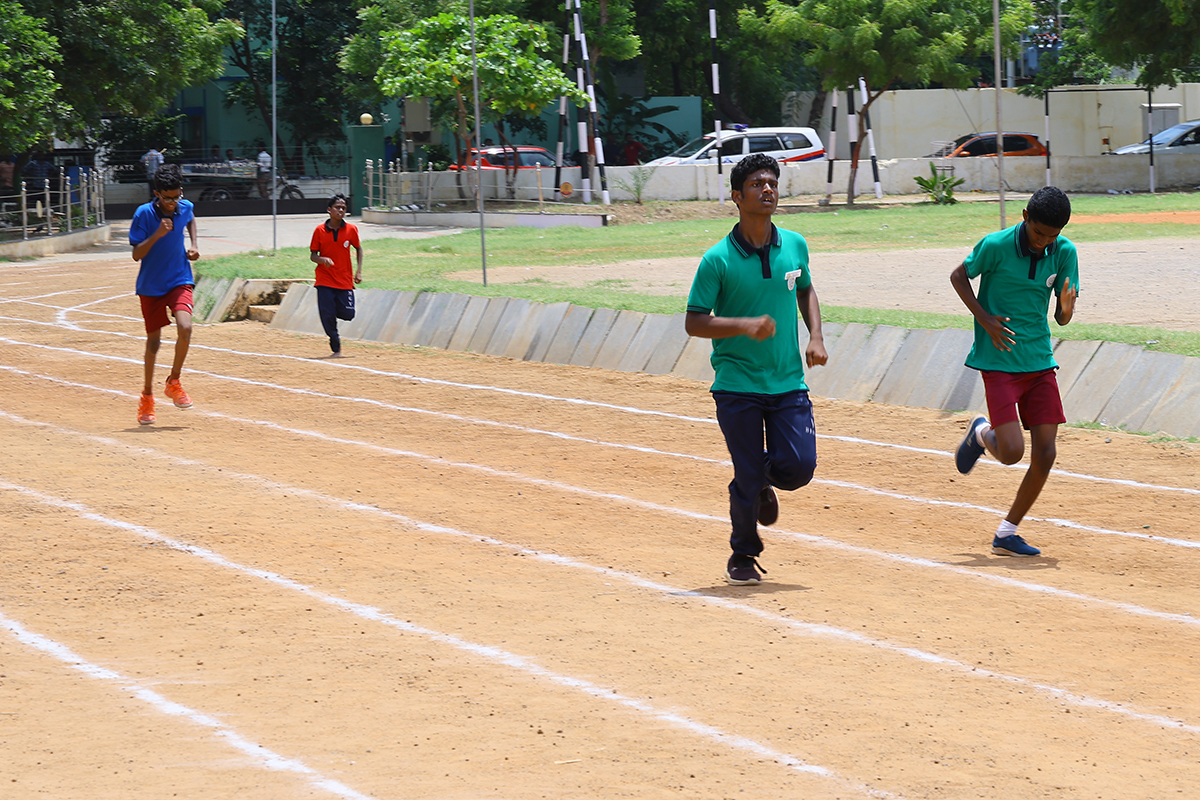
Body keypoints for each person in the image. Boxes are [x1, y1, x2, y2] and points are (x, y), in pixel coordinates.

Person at [684, 153, 828, 585]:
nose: (767, 189)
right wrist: (743, 325)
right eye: (756, 184)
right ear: (736, 196)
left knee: (799, 467)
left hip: (787, 382)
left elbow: (806, 290)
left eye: (772, 183)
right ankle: (743, 554)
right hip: (736, 384)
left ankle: (760, 477)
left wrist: (816, 336)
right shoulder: (717, 259)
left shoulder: (795, 244)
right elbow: (694, 322)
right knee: (746, 476)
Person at [951, 185, 1079, 557]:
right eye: (1038, 233)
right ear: (1025, 217)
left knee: (1046, 453)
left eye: (1052, 236)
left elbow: (1062, 318)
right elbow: (959, 276)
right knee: (1010, 453)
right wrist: (984, 318)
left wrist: (1067, 308)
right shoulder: (995, 245)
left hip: (1039, 360)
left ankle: (1007, 533)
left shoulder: (1065, 252)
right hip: (999, 361)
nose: (1043, 242)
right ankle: (981, 432)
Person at [128, 163, 200, 425]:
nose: (172, 203)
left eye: (176, 196)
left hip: (179, 278)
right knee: (154, 343)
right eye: (167, 198)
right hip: (151, 286)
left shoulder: (184, 206)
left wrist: (194, 244)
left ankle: (174, 381)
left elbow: (190, 217)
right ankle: (147, 396)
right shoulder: (144, 214)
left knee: (186, 327)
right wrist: (158, 234)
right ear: (157, 193)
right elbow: (136, 254)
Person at [310, 193, 363, 358]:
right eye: (337, 207)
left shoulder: (351, 229)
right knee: (327, 315)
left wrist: (358, 271)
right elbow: (313, 255)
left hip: (344, 279)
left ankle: (331, 311)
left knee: (348, 314)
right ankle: (335, 345)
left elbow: (358, 248)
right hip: (324, 279)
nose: (341, 210)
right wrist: (322, 259)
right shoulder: (319, 230)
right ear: (329, 210)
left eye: (343, 208)